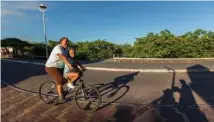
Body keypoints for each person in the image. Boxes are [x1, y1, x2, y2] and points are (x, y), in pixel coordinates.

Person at [45, 37, 73, 103]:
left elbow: (70, 57)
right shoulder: (58, 48)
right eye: (65, 41)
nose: (67, 42)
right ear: (61, 42)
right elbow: (62, 57)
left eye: (68, 41)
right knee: (60, 79)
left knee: (67, 77)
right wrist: (69, 65)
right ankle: (60, 97)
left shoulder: (66, 49)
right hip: (51, 67)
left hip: (60, 67)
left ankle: (60, 87)